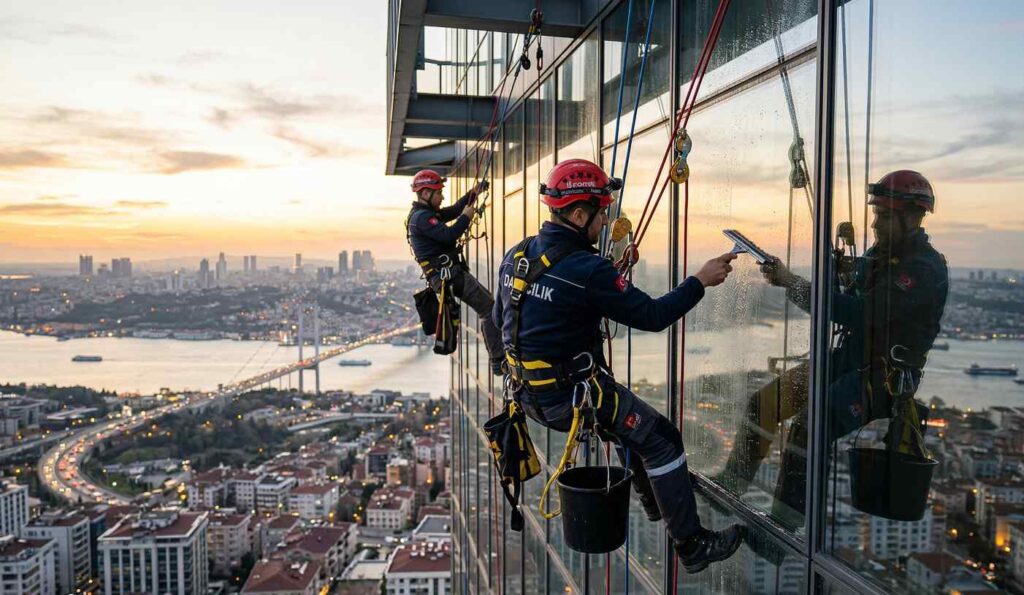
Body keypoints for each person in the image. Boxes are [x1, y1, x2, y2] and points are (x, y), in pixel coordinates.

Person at [493, 158, 743, 573]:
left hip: (528, 396)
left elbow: (497, 319)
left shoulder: (517, 256)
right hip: (571, 399)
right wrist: (699, 280)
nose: (605, 220)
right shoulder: (586, 270)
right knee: (661, 438)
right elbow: (653, 315)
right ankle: (692, 545)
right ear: (578, 215)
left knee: (630, 429)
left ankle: (656, 498)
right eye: (601, 212)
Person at [715, 170, 949, 528]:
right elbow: (855, 287)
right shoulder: (882, 255)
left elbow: (860, 313)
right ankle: (731, 485)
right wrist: (842, 271)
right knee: (764, 403)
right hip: (850, 361)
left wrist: (791, 283)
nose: (875, 224)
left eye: (884, 216)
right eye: (876, 215)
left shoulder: (923, 268)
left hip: (883, 377)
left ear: (913, 216)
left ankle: (786, 523)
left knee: (811, 426)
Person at [406, 169, 504, 373]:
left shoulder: (426, 214)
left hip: (447, 275)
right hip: (448, 276)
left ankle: (498, 356)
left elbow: (455, 210)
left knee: (488, 307)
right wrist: (466, 217)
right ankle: (498, 359)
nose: (442, 197)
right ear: (426, 193)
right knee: (488, 309)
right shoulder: (422, 218)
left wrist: (474, 192)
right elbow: (449, 235)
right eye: (439, 193)